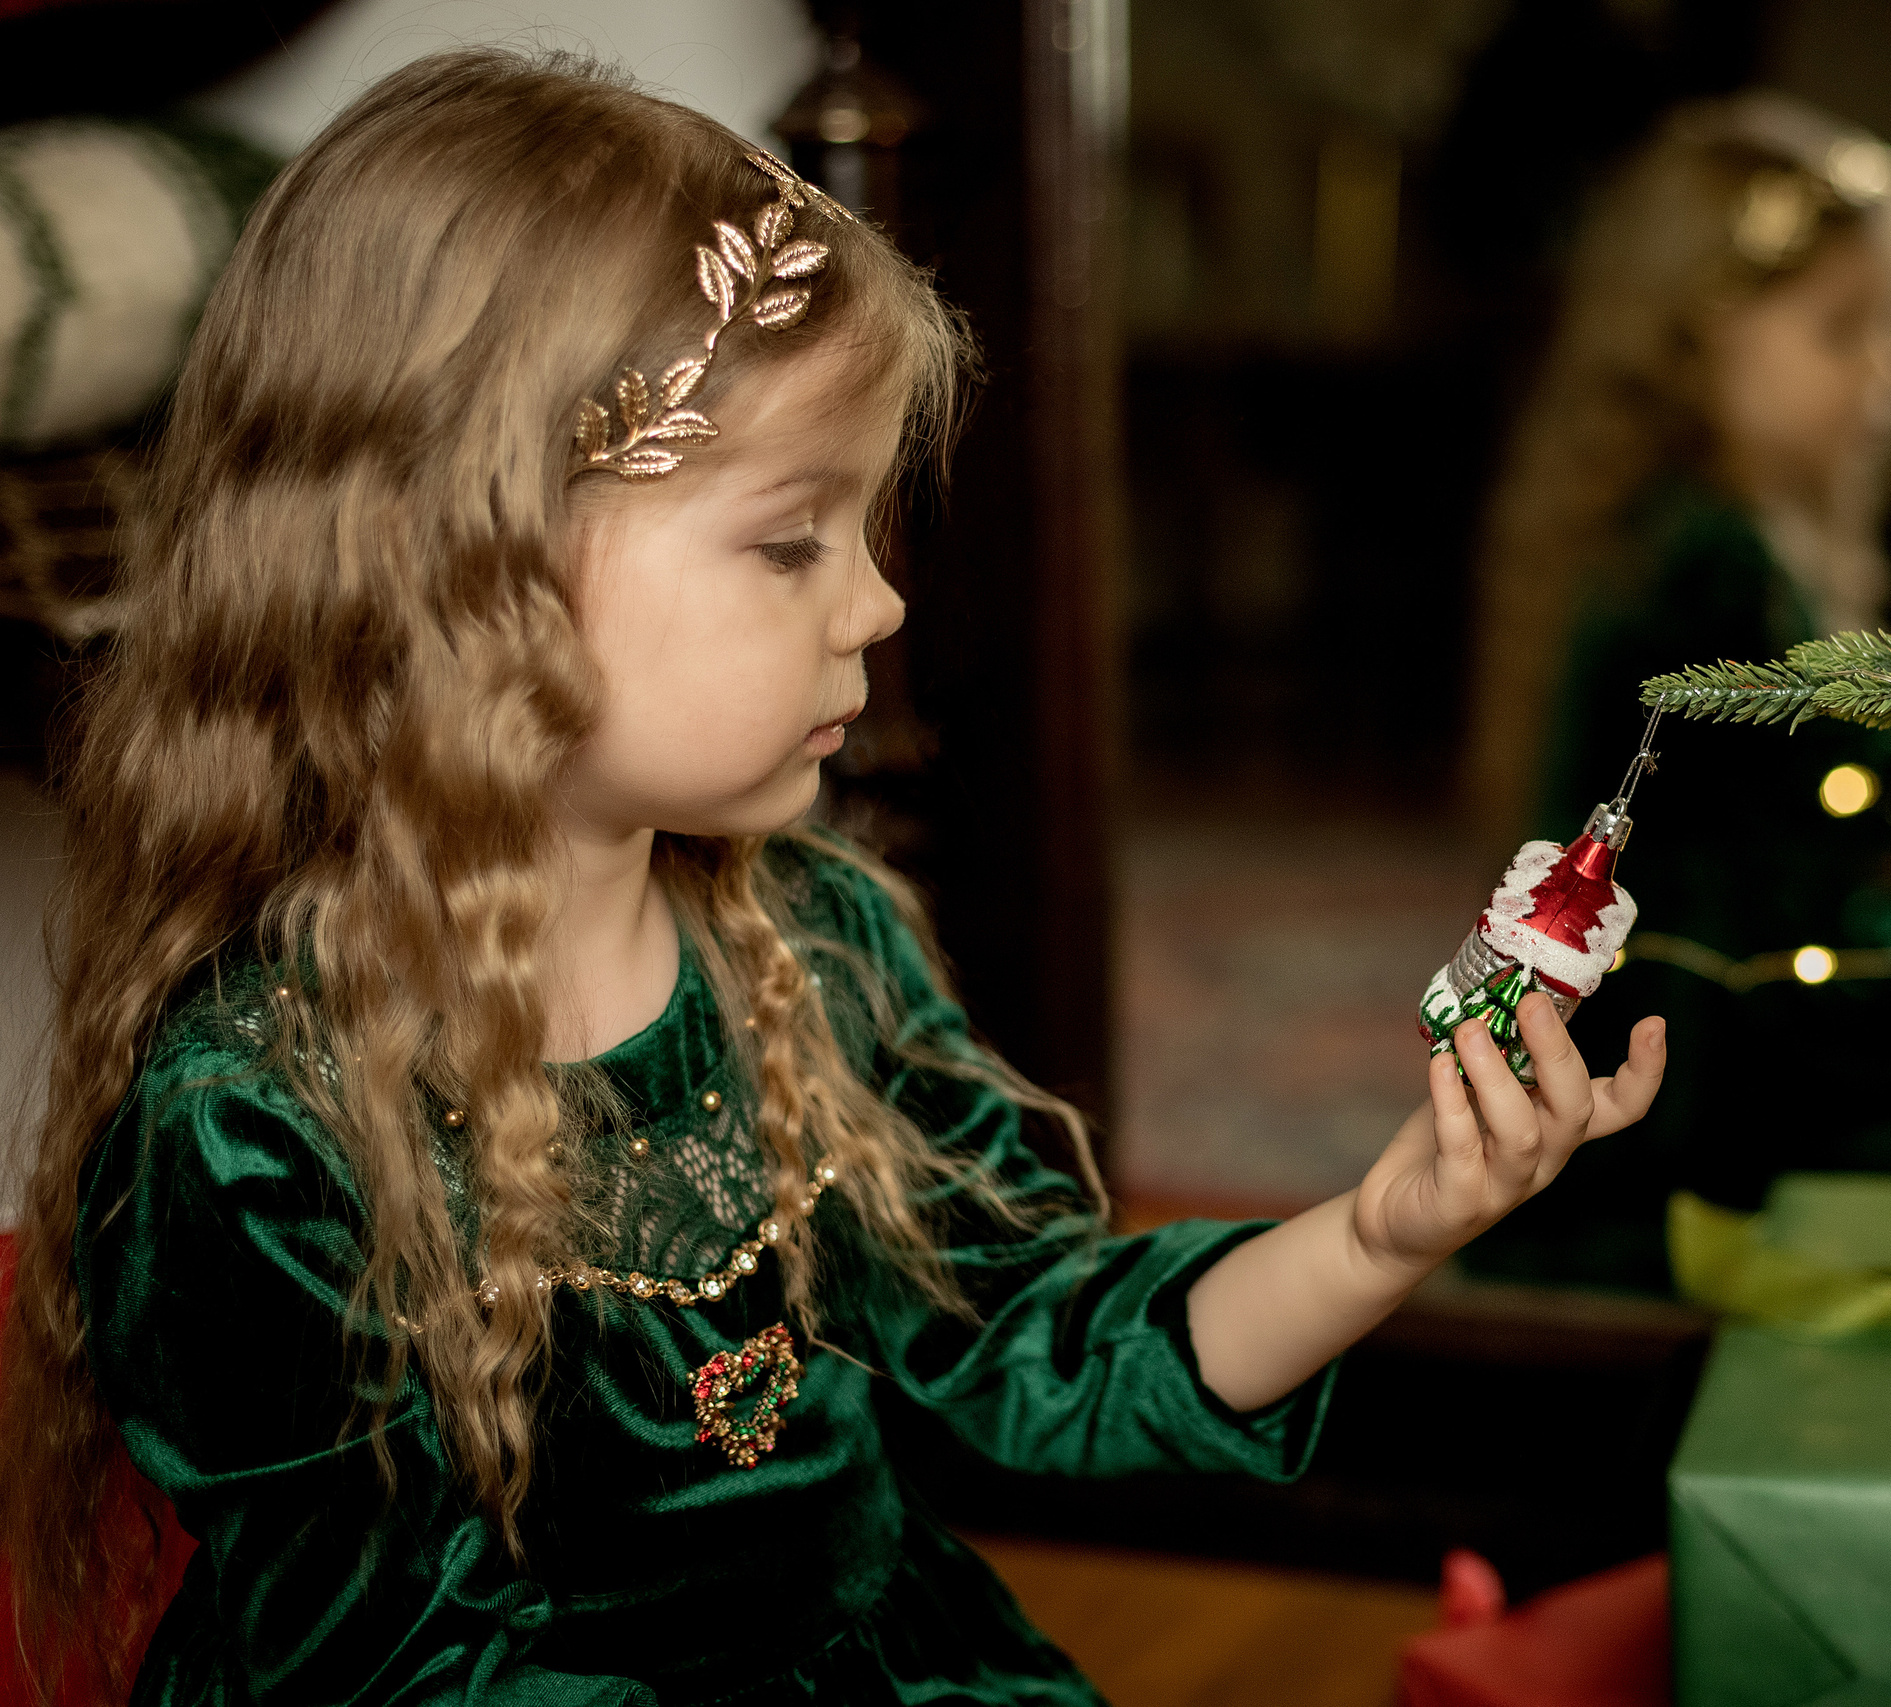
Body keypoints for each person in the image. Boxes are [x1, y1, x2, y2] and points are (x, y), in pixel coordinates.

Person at [0, 52, 1665, 1704]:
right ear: (465, 564)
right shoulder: (254, 1121)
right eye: (792, 538)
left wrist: (1386, 1227)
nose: (875, 604)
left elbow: (1038, 1337)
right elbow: (395, 1665)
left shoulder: (814, 937)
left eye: (867, 532)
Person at [1458, 94, 1891, 1294]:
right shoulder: (1697, 564)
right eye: (1840, 331)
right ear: (1698, 334)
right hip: (1691, 1108)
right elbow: (1796, 838)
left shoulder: (1767, 530)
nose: (1886, 378)